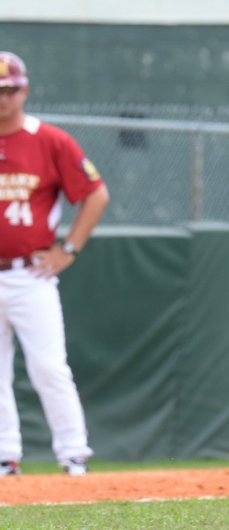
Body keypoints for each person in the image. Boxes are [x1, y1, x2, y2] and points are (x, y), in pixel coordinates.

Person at [0, 51, 110, 477]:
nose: (4, 97)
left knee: (48, 366)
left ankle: (73, 453)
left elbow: (95, 194)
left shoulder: (49, 140)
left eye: (10, 89)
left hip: (31, 273)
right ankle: (6, 455)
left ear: (24, 90)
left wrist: (68, 248)